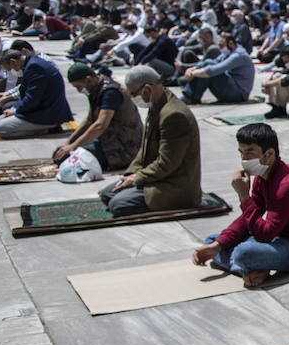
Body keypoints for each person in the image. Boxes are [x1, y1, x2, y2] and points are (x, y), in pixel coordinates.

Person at [187, 123, 289, 287]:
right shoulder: (263, 175)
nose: (244, 160)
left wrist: (244, 196)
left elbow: (264, 235)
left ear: (269, 154)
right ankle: (254, 270)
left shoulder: (287, 185)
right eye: (241, 153)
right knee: (213, 241)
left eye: (250, 153)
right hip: (281, 236)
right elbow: (249, 218)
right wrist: (218, 244)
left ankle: (247, 268)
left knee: (242, 253)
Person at [99, 65, 202, 216]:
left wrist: (137, 178)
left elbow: (167, 163)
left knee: (118, 204)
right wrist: (130, 174)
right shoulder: (157, 105)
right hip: (156, 176)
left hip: (173, 184)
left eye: (134, 94)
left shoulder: (174, 115)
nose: (133, 98)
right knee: (107, 194)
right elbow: (144, 150)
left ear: (147, 89)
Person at [55, 62, 143, 172]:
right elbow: (89, 120)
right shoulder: (96, 89)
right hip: (107, 141)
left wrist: (73, 146)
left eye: (79, 86)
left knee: (68, 160)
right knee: (62, 156)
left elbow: (100, 125)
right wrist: (68, 143)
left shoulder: (110, 93)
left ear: (88, 79)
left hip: (124, 147)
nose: (78, 90)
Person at [0, 48, 74, 139]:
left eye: (10, 69)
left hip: (47, 112)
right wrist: (14, 107)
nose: (12, 71)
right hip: (40, 107)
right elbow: (25, 91)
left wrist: (16, 110)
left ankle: (47, 129)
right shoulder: (31, 64)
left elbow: (32, 98)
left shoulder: (34, 67)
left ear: (13, 62)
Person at [182, 33, 254, 104]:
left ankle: (190, 98)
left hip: (239, 94)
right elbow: (212, 62)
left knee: (208, 66)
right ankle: (189, 96)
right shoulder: (229, 51)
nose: (219, 48)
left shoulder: (239, 55)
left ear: (231, 43)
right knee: (208, 62)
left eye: (221, 45)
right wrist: (192, 69)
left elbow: (214, 70)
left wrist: (193, 73)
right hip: (232, 87)